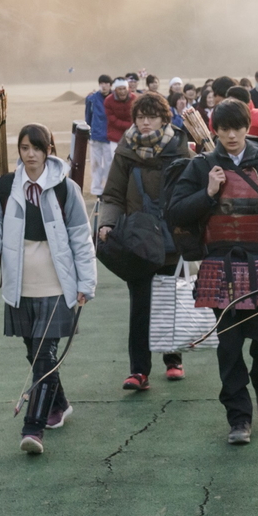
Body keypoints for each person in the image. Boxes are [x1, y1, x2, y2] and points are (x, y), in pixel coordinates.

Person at [166, 99, 258, 444]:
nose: (230, 135)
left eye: (236, 128)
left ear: (247, 128)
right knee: (229, 346)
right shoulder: (201, 167)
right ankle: (239, 418)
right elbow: (176, 212)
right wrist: (208, 192)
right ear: (215, 129)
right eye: (223, 129)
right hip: (218, 265)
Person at [0, 123, 96, 454]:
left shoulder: (64, 189)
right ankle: (60, 404)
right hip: (19, 287)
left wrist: (86, 283)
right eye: (25, 148)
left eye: (37, 149)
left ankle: (33, 429)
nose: (30, 155)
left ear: (48, 151)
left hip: (57, 286)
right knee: (35, 353)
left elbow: (80, 239)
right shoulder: (3, 188)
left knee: (44, 355)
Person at [96, 93, 194, 389]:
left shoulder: (180, 150)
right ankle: (139, 370)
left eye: (152, 116)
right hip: (137, 238)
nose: (146, 122)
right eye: (140, 117)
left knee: (169, 299)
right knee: (140, 303)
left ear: (165, 118)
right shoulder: (126, 151)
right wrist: (107, 222)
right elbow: (112, 193)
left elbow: (191, 192)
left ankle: (173, 358)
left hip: (170, 237)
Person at [85, 74, 113, 195]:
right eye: (101, 83)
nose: (104, 86)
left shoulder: (114, 98)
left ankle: (107, 188)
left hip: (109, 137)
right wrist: (89, 133)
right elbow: (88, 117)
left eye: (106, 83)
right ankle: (96, 189)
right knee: (95, 164)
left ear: (110, 85)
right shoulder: (92, 99)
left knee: (108, 164)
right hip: (96, 136)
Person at [102, 78, 135, 173]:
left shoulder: (134, 99)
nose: (122, 91)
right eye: (120, 89)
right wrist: (128, 125)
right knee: (115, 162)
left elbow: (136, 116)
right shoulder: (108, 101)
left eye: (124, 88)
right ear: (115, 90)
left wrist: (131, 126)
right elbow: (112, 119)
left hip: (132, 135)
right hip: (115, 136)